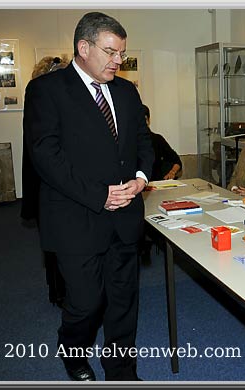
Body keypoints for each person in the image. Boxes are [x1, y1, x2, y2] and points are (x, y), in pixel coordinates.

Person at [23, 12, 154, 381]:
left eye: (122, 54)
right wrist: (100, 196)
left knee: (123, 303)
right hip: (75, 218)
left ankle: (122, 370)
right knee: (85, 304)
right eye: (111, 52)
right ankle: (73, 352)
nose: (118, 61)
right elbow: (46, 157)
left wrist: (141, 179)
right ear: (84, 47)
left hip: (125, 217)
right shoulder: (47, 91)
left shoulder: (127, 91)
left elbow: (143, 142)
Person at [21, 56, 70, 308]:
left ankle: (60, 289)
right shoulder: (39, 96)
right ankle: (59, 290)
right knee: (53, 241)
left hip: (53, 179)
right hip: (45, 182)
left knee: (59, 241)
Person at [143, 104, 182, 180]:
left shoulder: (157, 139)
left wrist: (172, 173)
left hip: (157, 184)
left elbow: (176, 161)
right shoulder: (129, 142)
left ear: (147, 120)